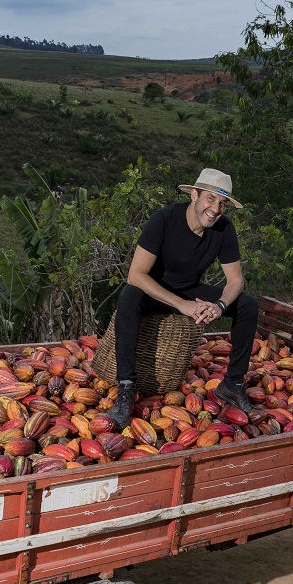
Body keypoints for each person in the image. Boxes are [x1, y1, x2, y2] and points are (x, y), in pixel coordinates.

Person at [104, 168, 258, 428]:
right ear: (194, 195)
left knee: (247, 304)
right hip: (154, 289)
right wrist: (182, 305)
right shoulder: (164, 219)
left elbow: (235, 280)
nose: (216, 208)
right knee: (129, 295)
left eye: (222, 203)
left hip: (189, 289)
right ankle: (127, 386)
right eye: (210, 198)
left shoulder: (223, 229)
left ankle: (232, 383)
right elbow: (136, 275)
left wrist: (220, 306)